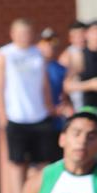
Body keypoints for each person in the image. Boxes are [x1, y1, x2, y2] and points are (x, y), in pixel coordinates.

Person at [0, 17, 56, 193]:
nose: (24, 37)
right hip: (16, 117)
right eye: (20, 33)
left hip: (40, 116)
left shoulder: (38, 53)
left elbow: (44, 85)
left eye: (27, 33)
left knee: (43, 165)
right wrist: (2, 117)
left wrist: (50, 108)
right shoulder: (4, 54)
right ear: (12, 34)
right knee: (17, 164)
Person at [63, 20, 97, 166]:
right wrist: (90, 85)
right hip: (88, 108)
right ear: (86, 34)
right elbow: (67, 85)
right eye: (94, 32)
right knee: (88, 150)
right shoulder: (80, 56)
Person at [37, 27, 72, 156]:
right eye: (46, 42)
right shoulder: (33, 67)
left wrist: (65, 107)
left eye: (53, 42)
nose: (50, 46)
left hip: (56, 124)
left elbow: (65, 94)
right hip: (37, 121)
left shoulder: (61, 69)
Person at [59, 20, 87, 111]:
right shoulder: (67, 56)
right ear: (71, 38)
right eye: (77, 36)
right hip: (77, 105)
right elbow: (61, 84)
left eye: (83, 35)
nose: (81, 39)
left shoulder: (92, 52)